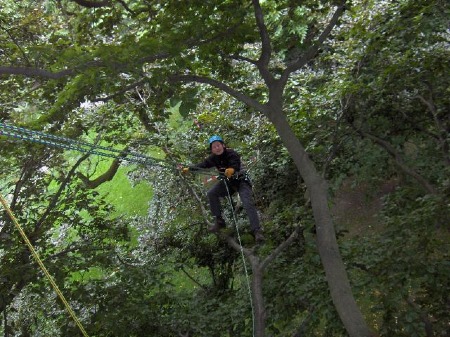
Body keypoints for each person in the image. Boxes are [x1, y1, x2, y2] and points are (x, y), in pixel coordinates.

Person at [183, 135, 265, 243]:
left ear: (223, 145)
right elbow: (203, 165)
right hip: (229, 183)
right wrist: (189, 169)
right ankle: (219, 221)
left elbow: (235, 163)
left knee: (247, 203)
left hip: (241, 181)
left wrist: (231, 169)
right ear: (212, 150)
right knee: (212, 193)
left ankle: (257, 231)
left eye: (218, 145)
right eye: (214, 147)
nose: (217, 148)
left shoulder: (231, 153)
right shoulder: (213, 158)